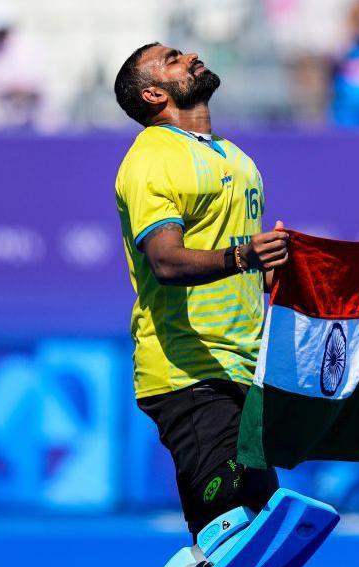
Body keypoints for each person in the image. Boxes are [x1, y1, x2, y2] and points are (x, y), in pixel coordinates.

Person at [113, 43, 288, 538]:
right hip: (187, 371)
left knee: (257, 532)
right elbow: (166, 261)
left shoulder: (238, 159)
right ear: (152, 94)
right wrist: (244, 256)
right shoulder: (151, 157)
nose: (190, 55)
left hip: (244, 369)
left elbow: (262, 273)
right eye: (171, 59)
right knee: (233, 523)